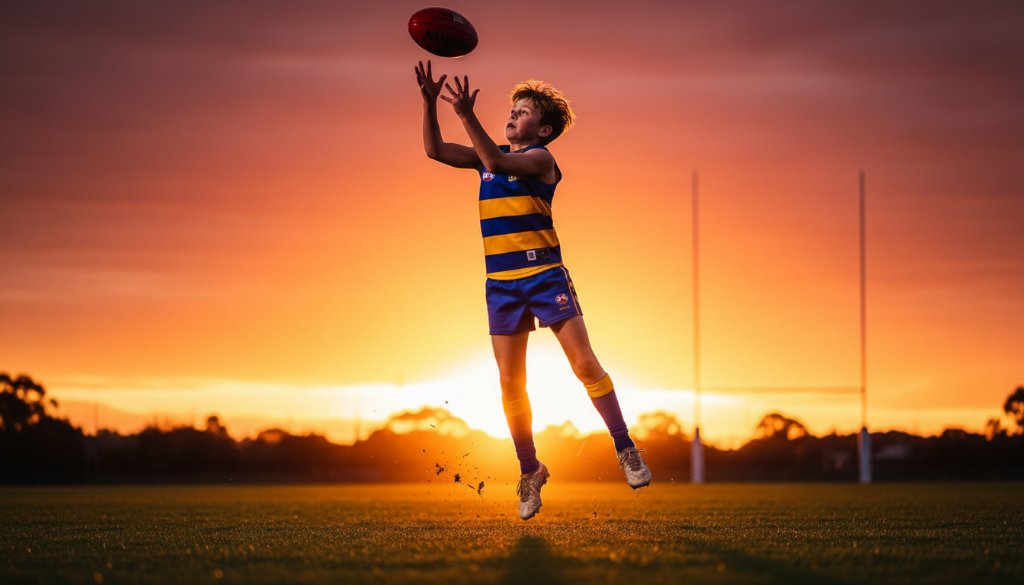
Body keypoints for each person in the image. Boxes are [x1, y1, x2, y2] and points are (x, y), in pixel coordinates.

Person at [414, 60, 651, 520]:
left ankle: (625, 448)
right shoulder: (488, 156)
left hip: (545, 275)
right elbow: (435, 151)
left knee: (584, 363)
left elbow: (500, 161)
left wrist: (465, 113)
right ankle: (531, 470)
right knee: (509, 383)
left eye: (523, 112)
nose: (513, 114)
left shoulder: (540, 160)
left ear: (542, 128)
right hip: (501, 286)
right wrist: (429, 102)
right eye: (513, 108)